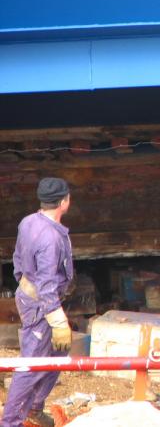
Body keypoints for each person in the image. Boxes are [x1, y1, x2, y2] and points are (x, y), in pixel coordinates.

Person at [2, 178, 74, 427]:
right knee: (31, 363)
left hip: (31, 296)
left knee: (58, 352)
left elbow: (18, 259)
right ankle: (10, 422)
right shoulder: (51, 239)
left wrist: (25, 285)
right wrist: (57, 320)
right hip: (41, 304)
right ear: (64, 201)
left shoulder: (28, 222)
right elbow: (46, 283)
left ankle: (34, 407)